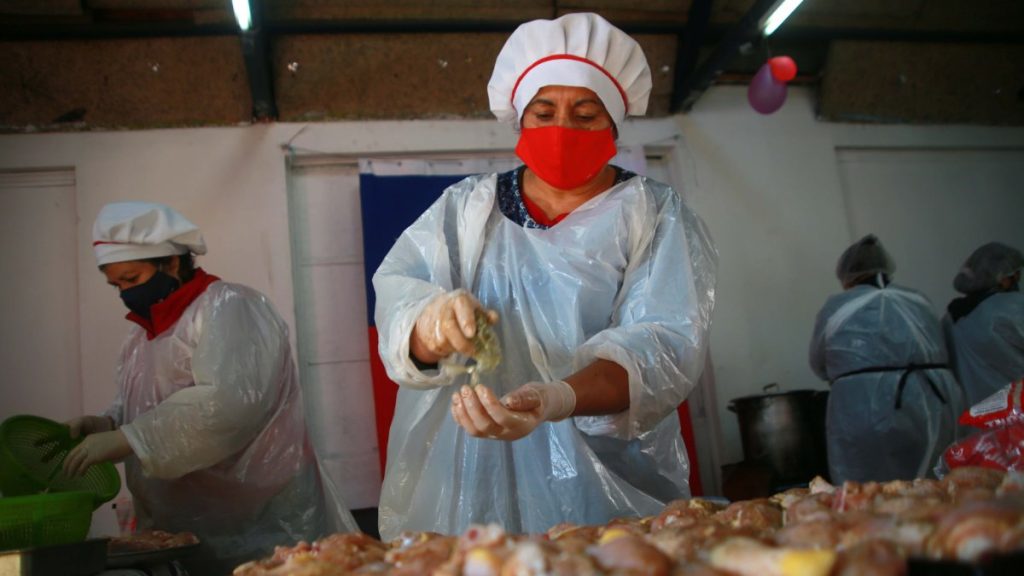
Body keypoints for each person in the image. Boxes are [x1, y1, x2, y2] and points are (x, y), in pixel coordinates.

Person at [373, 12, 716, 541]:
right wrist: (432, 323)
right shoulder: (466, 210)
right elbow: (400, 297)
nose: (562, 129)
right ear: (521, 120)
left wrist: (554, 399)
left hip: (604, 484)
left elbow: (663, 348)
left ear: (613, 125)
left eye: (585, 113)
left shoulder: (652, 213)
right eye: (544, 111)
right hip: (466, 473)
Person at [63, 201, 357, 575]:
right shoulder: (140, 337)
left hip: (263, 524)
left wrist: (130, 439)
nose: (124, 293)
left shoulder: (231, 307)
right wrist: (107, 424)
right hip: (186, 530)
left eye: (132, 279)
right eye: (116, 284)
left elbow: (228, 405)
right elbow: (142, 408)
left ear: (171, 262)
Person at [809, 234, 964, 484]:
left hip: (862, 406)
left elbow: (819, 363)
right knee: (936, 484)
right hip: (933, 402)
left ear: (847, 276)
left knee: (868, 487)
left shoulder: (838, 307)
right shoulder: (918, 300)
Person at [944, 242, 1024, 407]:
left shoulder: (950, 319)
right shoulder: (1013, 307)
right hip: (1015, 418)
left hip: (971, 423)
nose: (1018, 279)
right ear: (1002, 278)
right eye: (1015, 274)